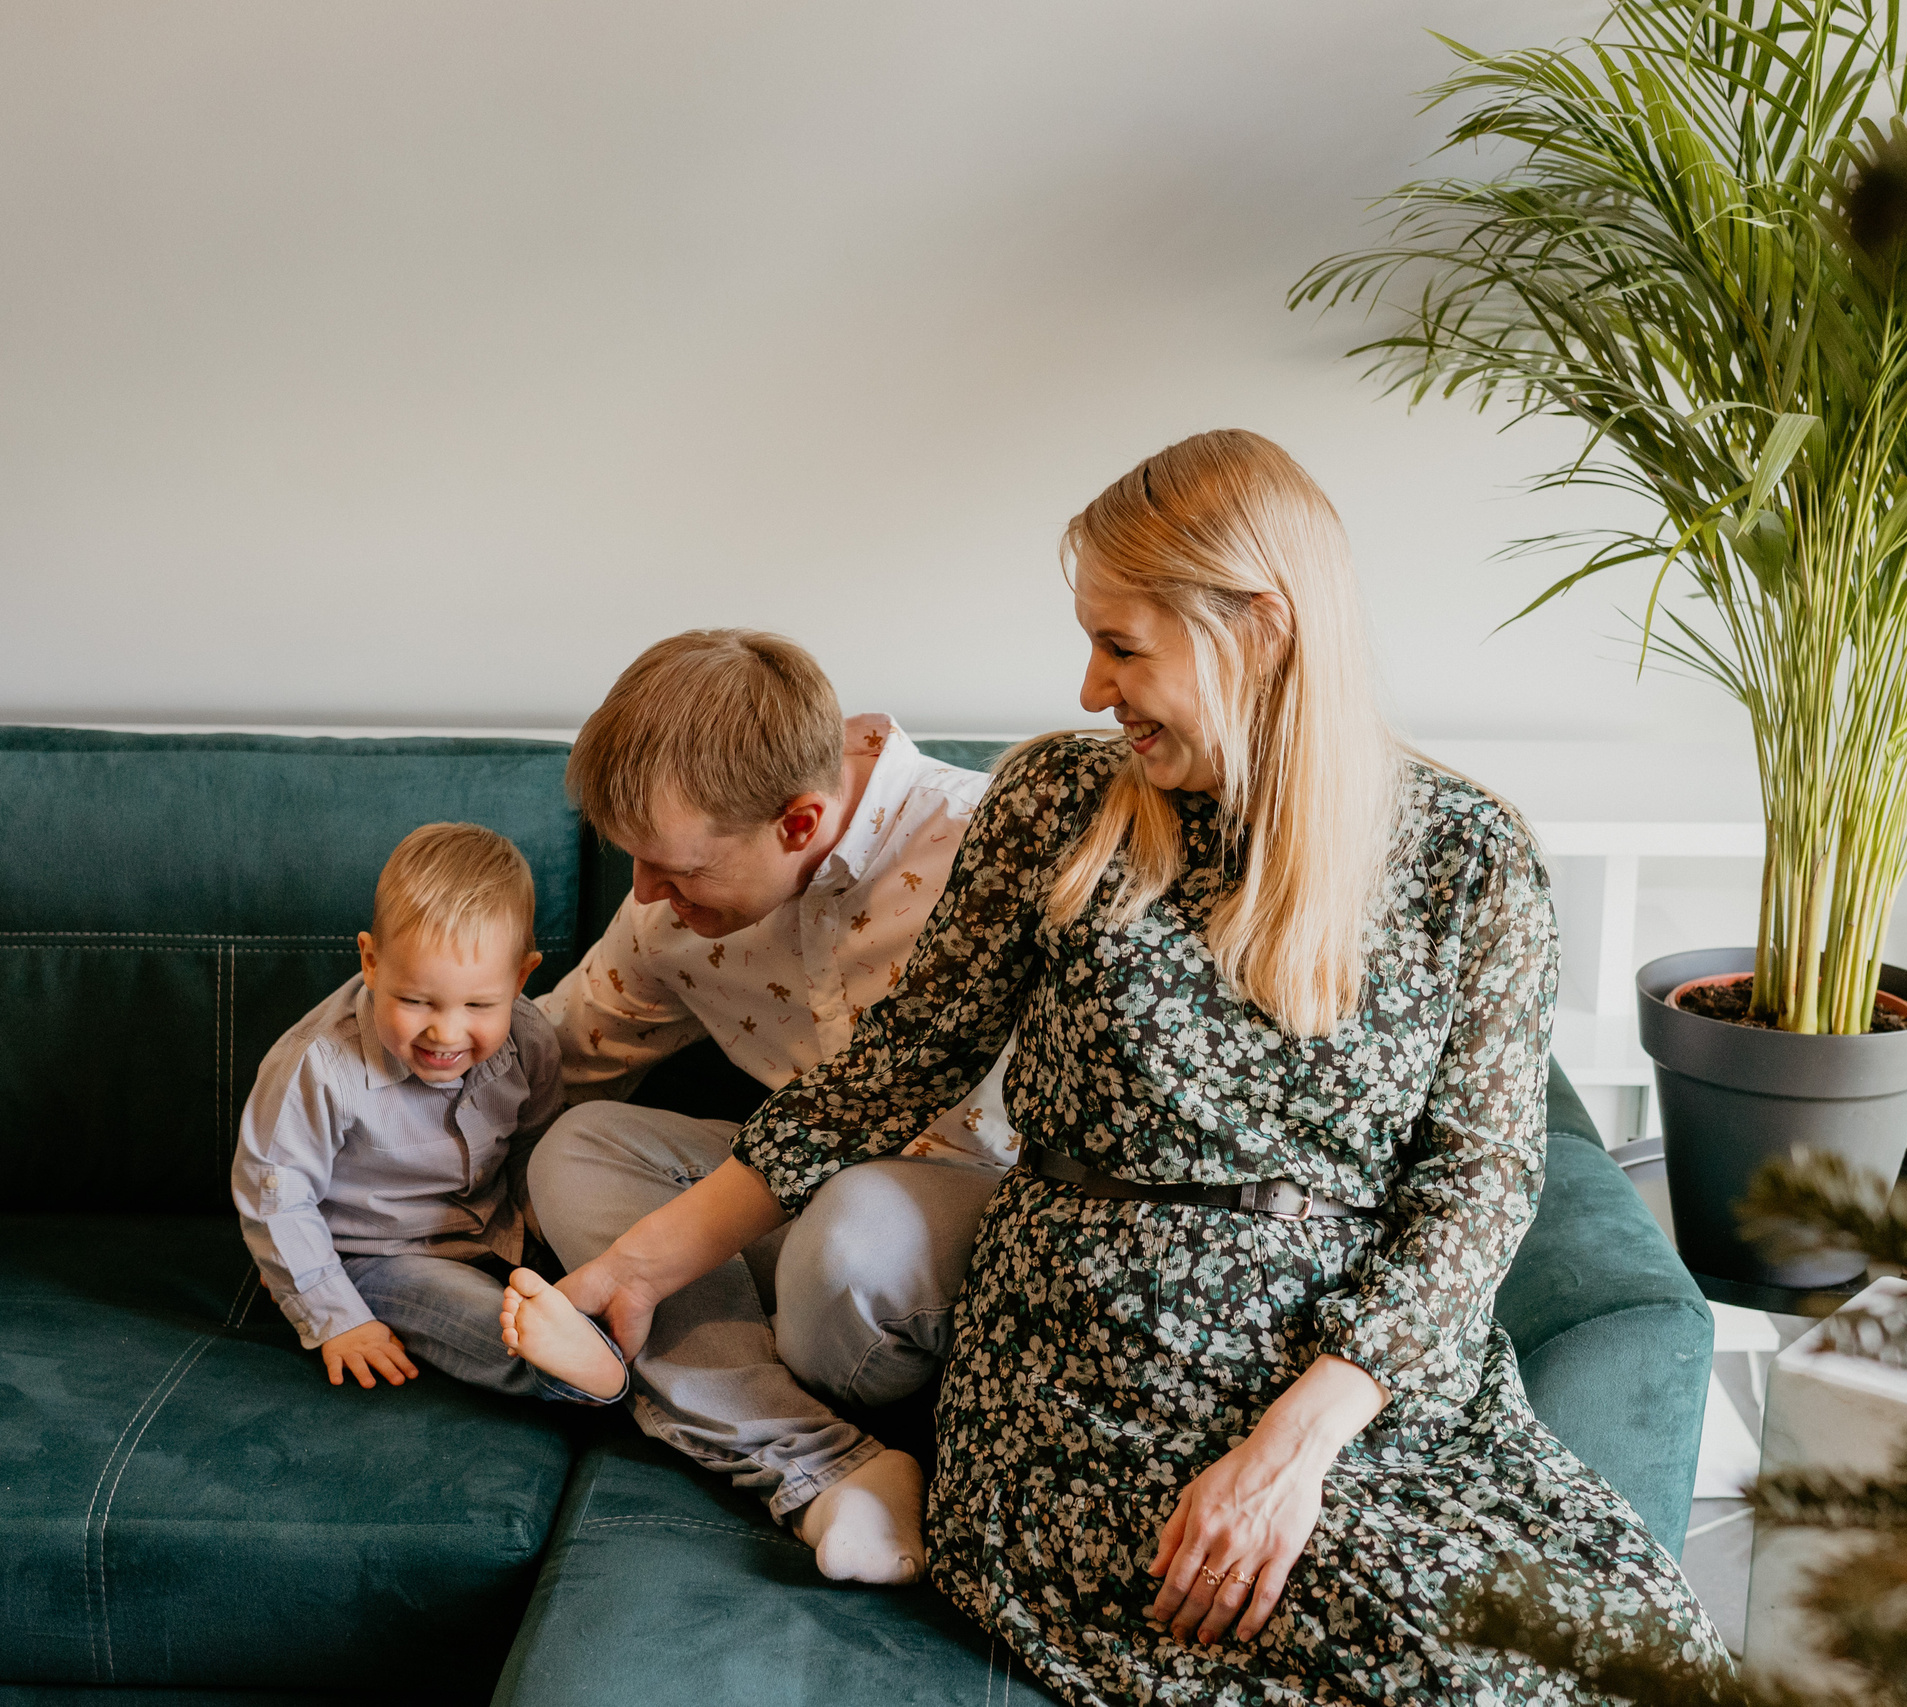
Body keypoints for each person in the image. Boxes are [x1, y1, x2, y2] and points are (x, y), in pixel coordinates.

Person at [503, 431, 1727, 1701]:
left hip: (1352, 1386)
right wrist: (635, 1268)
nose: (1091, 689)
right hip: (1086, 1370)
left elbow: (1476, 1191)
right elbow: (883, 1077)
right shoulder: (1053, 806)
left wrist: (1291, 1453)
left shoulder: (1472, 859)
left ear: (1260, 626)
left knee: (1645, 1656)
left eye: (1122, 646)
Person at [520, 628, 1017, 1586]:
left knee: (855, 1226)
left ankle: (750, 1390)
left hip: (962, 1234)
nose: (646, 895)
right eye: (632, 861)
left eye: (678, 870)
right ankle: (834, 1469)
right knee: (577, 1147)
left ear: (798, 821)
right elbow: (557, 1051)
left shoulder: (995, 847)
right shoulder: (670, 912)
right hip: (785, 1208)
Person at [231, 821, 622, 1403]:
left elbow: (533, 1150)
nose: (445, 1031)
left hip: (500, 1232)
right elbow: (275, 1193)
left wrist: (555, 1235)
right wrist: (334, 1313)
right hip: (376, 1256)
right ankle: (578, 1375)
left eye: (478, 1004)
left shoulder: (529, 1039)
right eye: (415, 1001)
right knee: (484, 1320)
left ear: (520, 979)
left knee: (618, 1257)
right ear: (370, 961)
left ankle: (625, 1344)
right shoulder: (317, 1065)